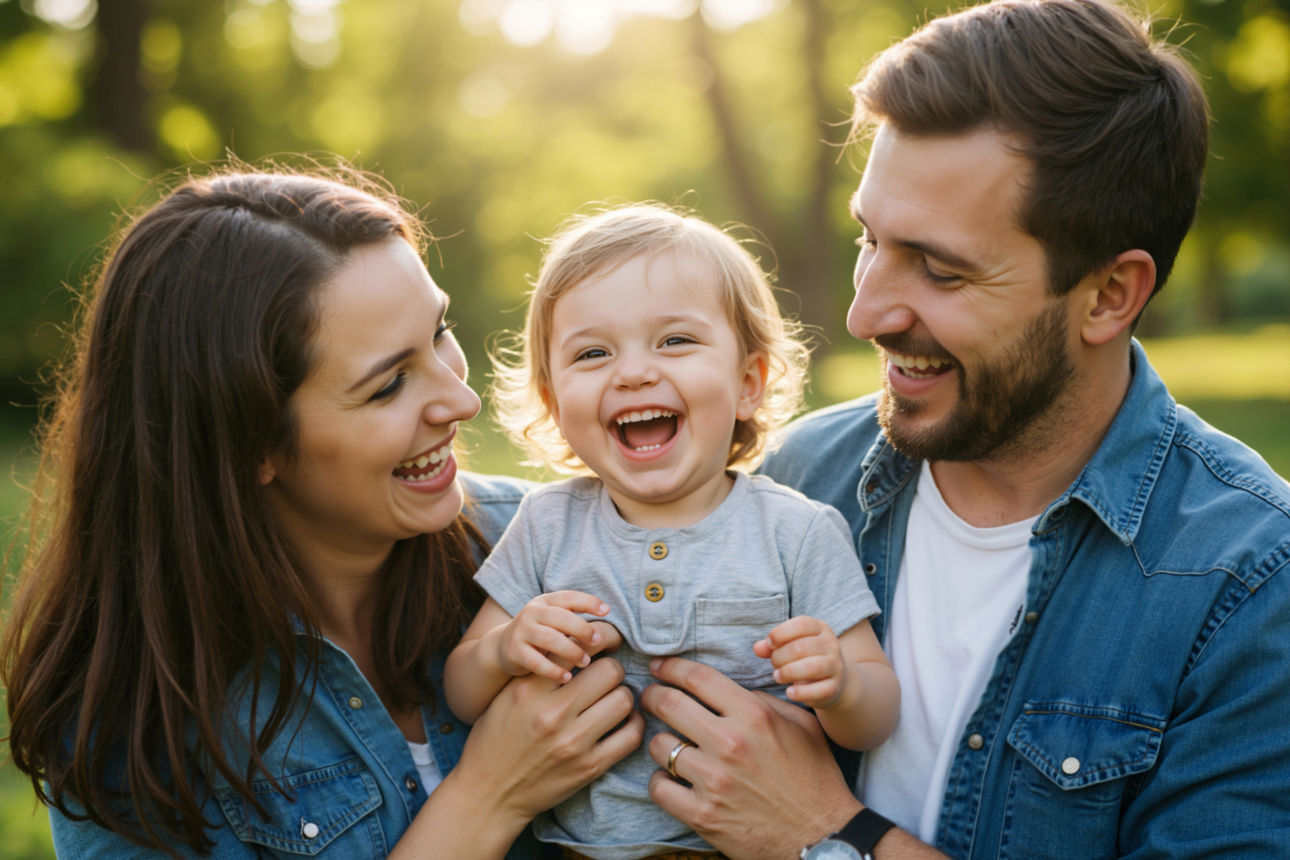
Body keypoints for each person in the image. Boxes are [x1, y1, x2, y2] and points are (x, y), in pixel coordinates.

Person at [632, 1, 1290, 857]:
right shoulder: (797, 479)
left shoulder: (1246, 585)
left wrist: (823, 832)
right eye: (869, 240)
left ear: (1108, 295)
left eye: (940, 271)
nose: (865, 311)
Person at [0, 166, 645, 858]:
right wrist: (489, 796)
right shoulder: (135, 717)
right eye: (389, 385)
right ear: (252, 444)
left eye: (440, 332)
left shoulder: (552, 544)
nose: (463, 402)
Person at [442, 203, 900, 859]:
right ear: (553, 402)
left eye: (675, 341)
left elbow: (877, 714)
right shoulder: (548, 524)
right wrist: (507, 647)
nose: (632, 372)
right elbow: (462, 692)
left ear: (748, 383)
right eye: (593, 353)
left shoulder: (795, 532)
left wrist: (841, 686)